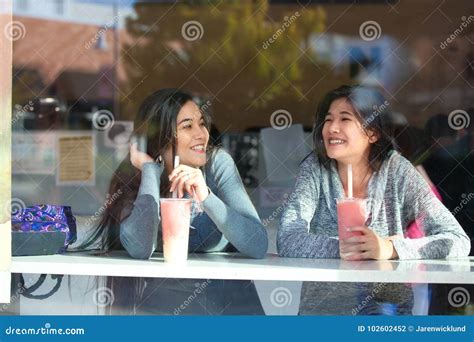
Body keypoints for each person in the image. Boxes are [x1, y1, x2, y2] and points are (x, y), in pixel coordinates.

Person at [277, 85, 470, 315]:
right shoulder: (316, 169)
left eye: (345, 119)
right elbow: (288, 237)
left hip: (387, 320)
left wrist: (391, 248)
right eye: (328, 120)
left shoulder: (398, 171)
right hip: (322, 319)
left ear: (372, 133)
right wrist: (343, 248)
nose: (332, 128)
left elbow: (457, 240)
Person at [81, 88, 268, 315]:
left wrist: (206, 197)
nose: (202, 134)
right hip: (165, 308)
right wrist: (150, 171)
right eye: (187, 126)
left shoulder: (217, 165)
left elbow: (257, 244)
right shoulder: (138, 178)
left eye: (202, 123)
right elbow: (141, 249)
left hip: (230, 307)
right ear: (160, 138)